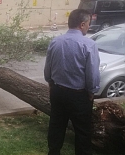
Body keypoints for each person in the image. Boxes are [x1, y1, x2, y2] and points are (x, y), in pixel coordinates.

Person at [44, 9, 100, 155]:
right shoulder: (89, 45)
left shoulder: (55, 41)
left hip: (57, 92)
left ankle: (53, 152)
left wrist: (50, 83)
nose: (89, 26)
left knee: (56, 125)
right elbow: (92, 73)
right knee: (82, 131)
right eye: (88, 23)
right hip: (79, 96)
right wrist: (91, 91)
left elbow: (48, 67)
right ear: (82, 24)